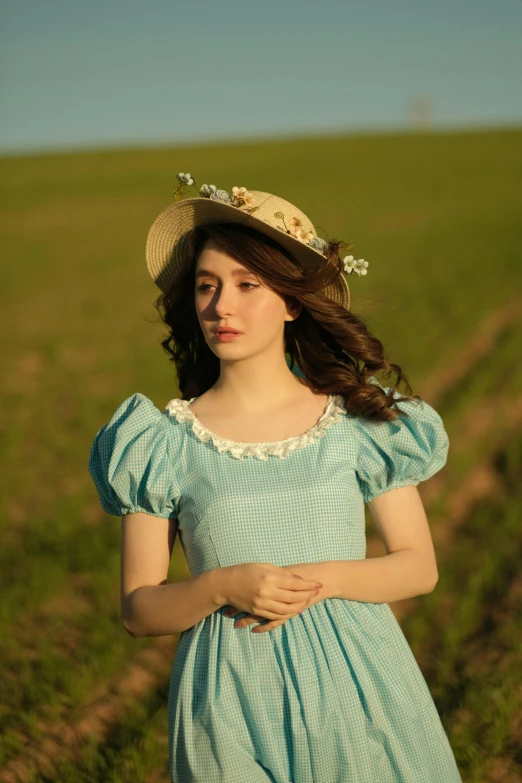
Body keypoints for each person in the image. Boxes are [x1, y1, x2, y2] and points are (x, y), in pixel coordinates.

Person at [88, 174, 463, 782]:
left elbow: (419, 567)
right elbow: (140, 610)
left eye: (247, 285)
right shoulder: (159, 442)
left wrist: (315, 579)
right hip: (227, 698)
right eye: (207, 287)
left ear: (292, 302)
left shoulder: (358, 422)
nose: (221, 306)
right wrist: (222, 585)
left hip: (361, 686)